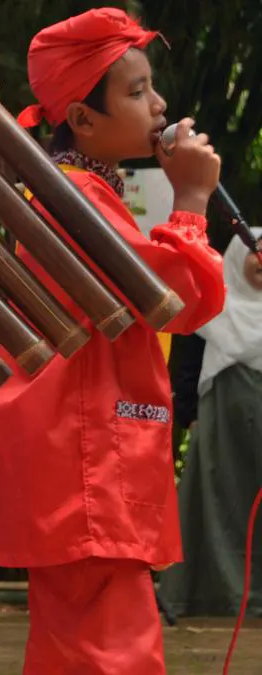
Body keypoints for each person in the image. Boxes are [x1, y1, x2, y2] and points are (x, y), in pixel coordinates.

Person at [0, 8, 225, 674]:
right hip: (86, 457)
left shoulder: (75, 190)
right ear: (83, 121)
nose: (159, 104)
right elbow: (178, 297)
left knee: (80, 646)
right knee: (110, 650)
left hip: (80, 454)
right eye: (137, 90)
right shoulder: (74, 196)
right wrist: (194, 199)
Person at [161, 229, 262, 617]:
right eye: (253, 252)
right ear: (236, 258)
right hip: (220, 424)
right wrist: (188, 414)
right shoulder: (215, 308)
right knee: (222, 505)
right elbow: (188, 366)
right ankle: (219, 596)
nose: (258, 261)